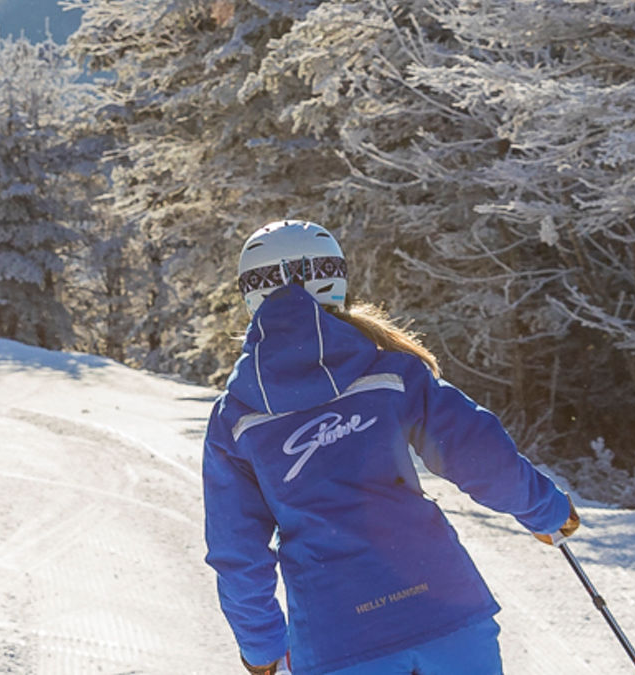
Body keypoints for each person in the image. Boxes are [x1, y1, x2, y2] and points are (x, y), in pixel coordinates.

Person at [203, 220, 581, 675]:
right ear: (334, 279)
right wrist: (547, 512)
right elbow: (475, 451)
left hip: (339, 640)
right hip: (447, 612)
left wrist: (262, 649)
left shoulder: (237, 416)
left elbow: (237, 548)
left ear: (252, 292)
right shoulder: (388, 369)